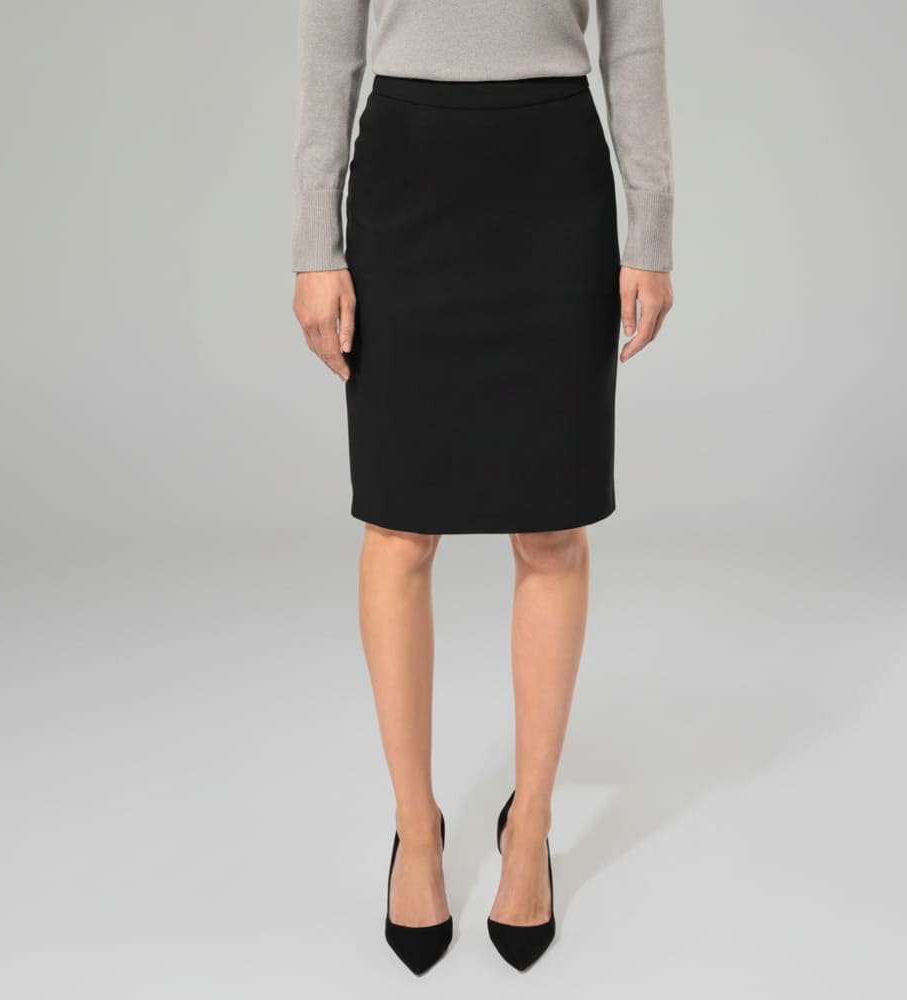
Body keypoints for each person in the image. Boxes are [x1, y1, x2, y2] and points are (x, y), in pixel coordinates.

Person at [290, 0, 675, 975]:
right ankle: (414, 825)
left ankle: (529, 822)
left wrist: (651, 228)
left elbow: (632, 32)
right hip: (408, 172)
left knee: (551, 527)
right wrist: (314, 245)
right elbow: (330, 41)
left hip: (553, 177)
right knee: (398, 525)